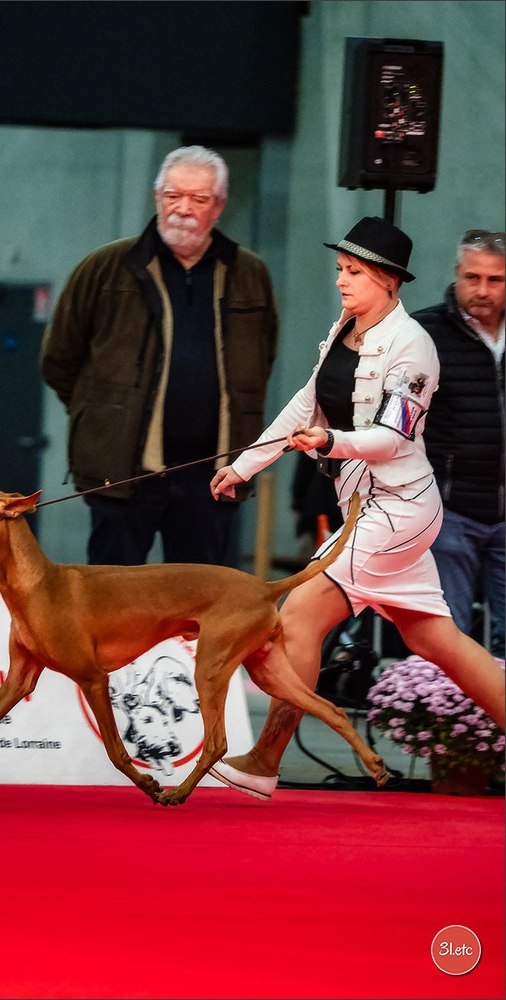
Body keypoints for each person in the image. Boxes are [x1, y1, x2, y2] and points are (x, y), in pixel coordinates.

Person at [208, 216, 506, 800]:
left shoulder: (414, 345)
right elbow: (306, 403)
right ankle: (264, 760)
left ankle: (264, 760)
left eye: (356, 273)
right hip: (368, 507)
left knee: (297, 616)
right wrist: (242, 467)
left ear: (390, 281)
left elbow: (393, 437)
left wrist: (332, 442)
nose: (342, 281)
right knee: (437, 640)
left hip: (398, 510)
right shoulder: (346, 326)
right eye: (342, 269)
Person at [41, 145, 278, 566]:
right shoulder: (105, 267)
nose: (183, 209)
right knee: (113, 606)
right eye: (173, 196)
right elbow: (60, 358)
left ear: (219, 206)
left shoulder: (249, 273)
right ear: (157, 197)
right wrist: (102, 415)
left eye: (198, 199)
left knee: (199, 610)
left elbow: (262, 360)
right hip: (124, 474)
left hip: (212, 474)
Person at [412, 230, 505, 658]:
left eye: (495, 280)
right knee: (449, 640)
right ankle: (446, 726)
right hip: (450, 512)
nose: (482, 290)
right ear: (456, 274)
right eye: (473, 277)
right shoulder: (425, 332)